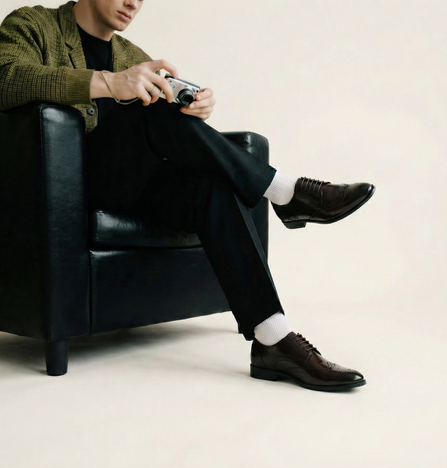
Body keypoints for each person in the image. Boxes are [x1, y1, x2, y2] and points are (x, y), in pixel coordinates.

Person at [0, 0, 376, 392]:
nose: (133, 3)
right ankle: (285, 191)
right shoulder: (33, 24)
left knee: (211, 188)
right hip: (70, 187)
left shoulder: (132, 56)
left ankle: (273, 339)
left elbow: (163, 132)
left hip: (135, 187)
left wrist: (194, 112)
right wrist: (108, 83)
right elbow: (6, 78)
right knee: (151, 110)